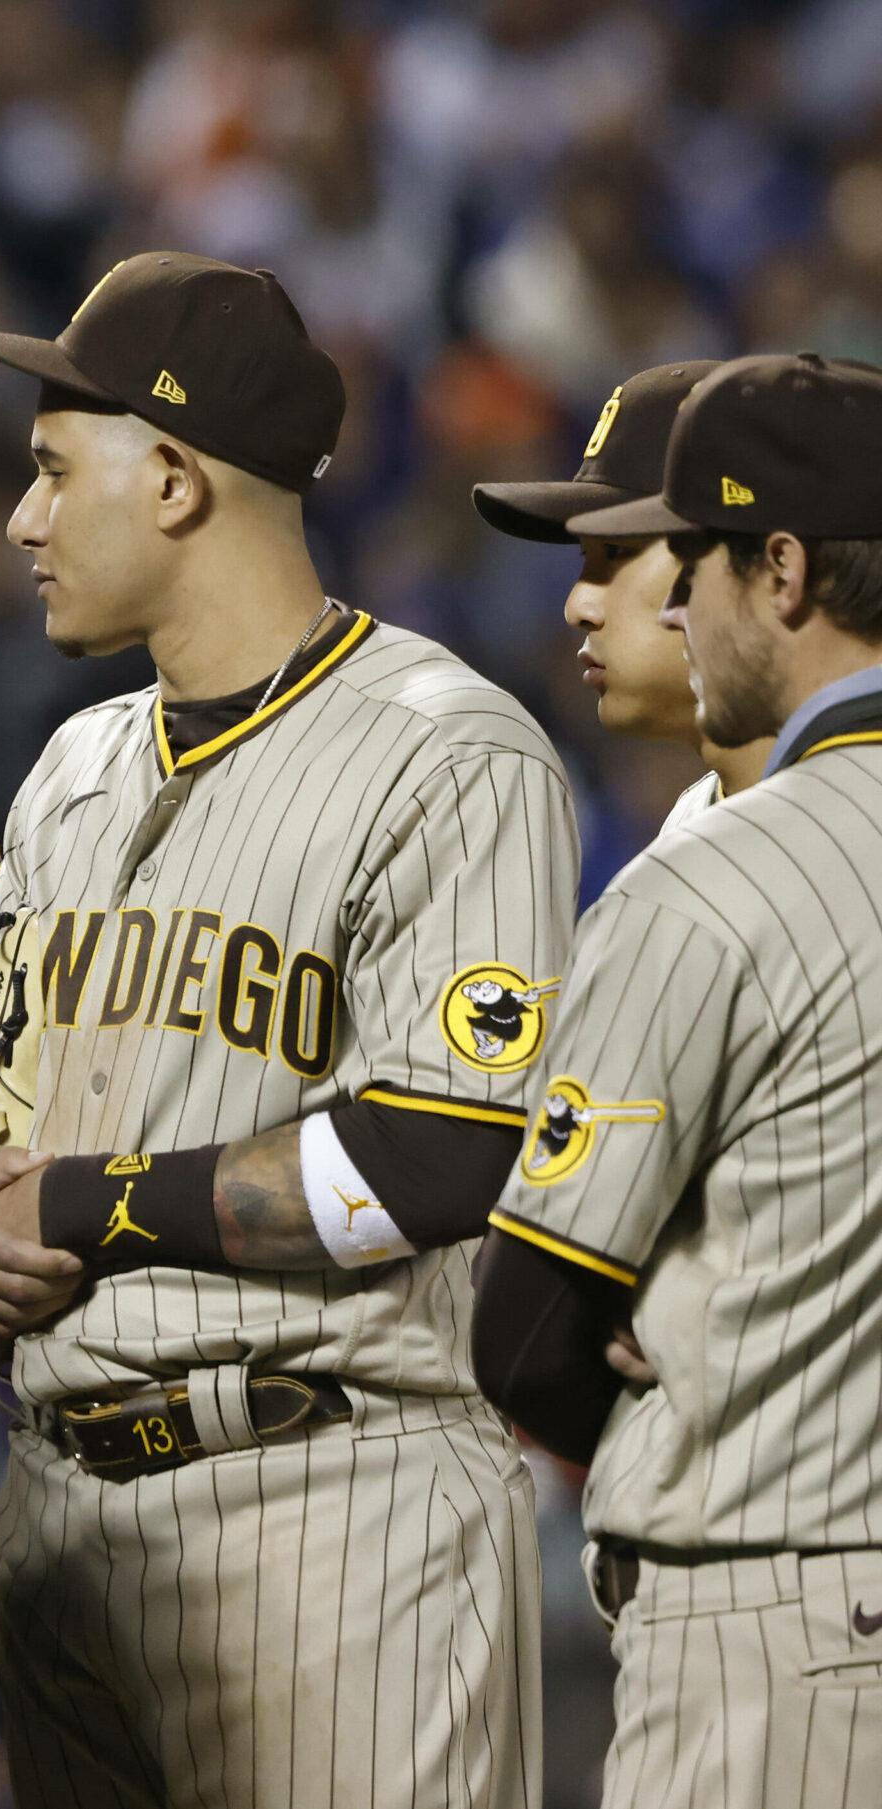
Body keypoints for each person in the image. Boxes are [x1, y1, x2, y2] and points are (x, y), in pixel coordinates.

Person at [0, 254, 576, 1804]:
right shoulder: (68, 767)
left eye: (59, 472)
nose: (25, 518)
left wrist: (86, 1205)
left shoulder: (447, 751)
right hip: (62, 1523)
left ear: (179, 480)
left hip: (336, 1505)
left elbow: (445, 1153)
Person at [475, 352, 882, 1809]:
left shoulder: (713, 885)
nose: (653, 603)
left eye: (682, 557)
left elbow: (524, 1332)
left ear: (780, 568)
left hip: (780, 1615)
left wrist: (686, 1382)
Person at [473, 360, 772, 824]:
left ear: (772, 569)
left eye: (618, 552)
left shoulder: (858, 817)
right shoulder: (695, 815)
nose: (577, 608)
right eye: (585, 559)